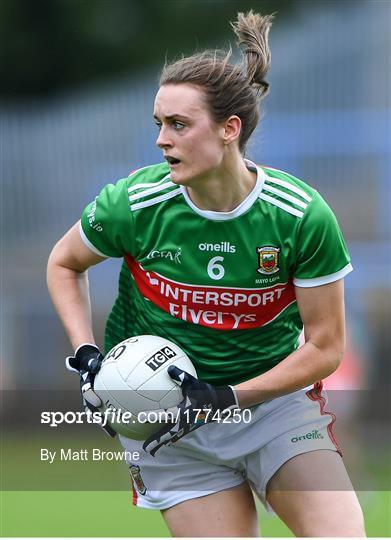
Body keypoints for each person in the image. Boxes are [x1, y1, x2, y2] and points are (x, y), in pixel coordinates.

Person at [47, 11, 366, 537]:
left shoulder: (299, 216)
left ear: (228, 129)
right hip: (171, 425)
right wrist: (86, 356)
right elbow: (64, 263)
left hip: (270, 408)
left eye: (178, 124)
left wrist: (229, 398)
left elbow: (327, 348)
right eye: (159, 124)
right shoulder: (135, 202)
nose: (161, 141)